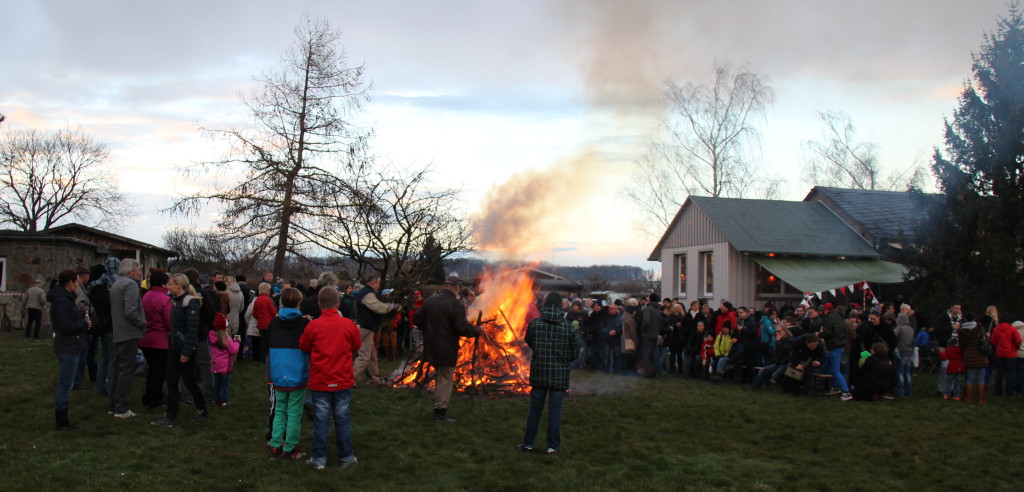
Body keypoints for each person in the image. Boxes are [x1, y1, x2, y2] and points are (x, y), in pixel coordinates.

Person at [299, 286, 361, 470]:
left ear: (319, 305)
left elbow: (304, 345)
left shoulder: (314, 325)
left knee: (321, 420)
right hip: (342, 379)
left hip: (321, 380)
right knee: (342, 420)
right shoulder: (348, 324)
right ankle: (347, 457)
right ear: (338, 303)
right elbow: (356, 344)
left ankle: (319, 459)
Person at [413, 275, 480, 423]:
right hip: (447, 348)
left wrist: (429, 331)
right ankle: (440, 413)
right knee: (445, 379)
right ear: (456, 287)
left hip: (431, 346)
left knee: (440, 377)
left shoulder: (430, 301)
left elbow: (417, 319)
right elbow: (461, 327)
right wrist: (476, 331)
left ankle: (438, 407)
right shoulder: (455, 305)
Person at [517, 292, 577, 454]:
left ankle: (528, 443)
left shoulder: (535, 324)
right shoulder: (568, 326)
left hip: (540, 373)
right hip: (559, 375)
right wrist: (564, 359)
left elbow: (530, 341)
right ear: (560, 306)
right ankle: (553, 446)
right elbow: (576, 351)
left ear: (544, 305)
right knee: (555, 411)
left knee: (535, 410)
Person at [151, 274, 208, 427]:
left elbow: (192, 330)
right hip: (173, 348)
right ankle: (171, 414)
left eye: (170, 284)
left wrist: (186, 352)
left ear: (179, 285)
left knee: (189, 382)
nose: (168, 287)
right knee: (171, 381)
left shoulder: (190, 303)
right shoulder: (175, 302)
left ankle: (201, 407)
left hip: (185, 349)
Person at [49, 269, 90, 430]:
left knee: (67, 384)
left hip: (70, 344)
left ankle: (63, 418)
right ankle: (62, 421)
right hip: (67, 346)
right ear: (69, 283)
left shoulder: (65, 300)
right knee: (66, 385)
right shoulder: (62, 302)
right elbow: (64, 326)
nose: (77, 284)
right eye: (75, 282)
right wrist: (83, 324)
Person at [108, 258, 147, 419]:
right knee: (126, 370)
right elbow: (131, 311)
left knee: (117, 369)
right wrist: (142, 322)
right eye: (138, 269)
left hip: (118, 331)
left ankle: (113, 404)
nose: (140, 272)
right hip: (129, 332)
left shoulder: (116, 283)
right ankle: (121, 408)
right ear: (131, 270)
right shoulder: (130, 284)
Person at [353, 275, 400, 384]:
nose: (379, 286)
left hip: (368, 329)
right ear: (374, 282)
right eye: (378, 284)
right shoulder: (367, 294)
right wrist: (393, 307)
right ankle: (349, 378)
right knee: (364, 357)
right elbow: (378, 307)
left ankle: (374, 377)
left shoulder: (365, 292)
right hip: (365, 329)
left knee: (372, 355)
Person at [140, 270, 171, 409]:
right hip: (160, 340)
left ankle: (148, 395)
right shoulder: (164, 299)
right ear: (163, 283)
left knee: (152, 370)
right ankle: (155, 399)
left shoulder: (146, 296)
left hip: (146, 338)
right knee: (158, 372)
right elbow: (169, 321)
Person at [210, 291, 240, 407]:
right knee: (224, 384)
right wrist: (237, 342)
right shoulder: (227, 339)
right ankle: (224, 400)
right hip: (226, 366)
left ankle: (215, 399)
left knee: (216, 383)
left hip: (215, 364)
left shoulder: (211, 336)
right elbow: (233, 350)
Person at [958, 314, 989, 404]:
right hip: (981, 355)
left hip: (969, 356)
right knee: (981, 379)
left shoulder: (962, 330)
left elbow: (961, 345)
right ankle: (981, 399)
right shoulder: (979, 328)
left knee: (970, 379)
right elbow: (985, 340)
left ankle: (969, 398)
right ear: (974, 319)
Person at [990, 319, 1021, 397]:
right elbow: (1018, 340)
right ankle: (1009, 392)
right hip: (1010, 353)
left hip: (1000, 353)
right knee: (1010, 373)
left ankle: (998, 391)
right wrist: (1015, 348)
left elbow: (993, 341)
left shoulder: (996, 329)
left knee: (999, 373)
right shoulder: (1012, 329)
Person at [251, 282, 277, 363]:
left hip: (260, 323)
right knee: (269, 342)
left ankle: (262, 358)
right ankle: (268, 358)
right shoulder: (268, 300)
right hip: (269, 323)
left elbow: (254, 313)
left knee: (262, 341)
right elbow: (273, 312)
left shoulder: (257, 300)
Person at [894, 313, 916, 397]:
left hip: (901, 351)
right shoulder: (911, 329)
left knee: (900, 373)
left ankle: (901, 392)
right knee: (908, 373)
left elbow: (893, 335)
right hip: (910, 352)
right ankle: (909, 391)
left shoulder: (899, 328)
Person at [940, 336, 965, 400]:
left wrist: (941, 352)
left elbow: (944, 358)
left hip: (952, 366)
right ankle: (957, 396)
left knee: (949, 381)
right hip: (960, 366)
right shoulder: (961, 350)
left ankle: (946, 394)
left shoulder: (949, 349)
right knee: (958, 382)